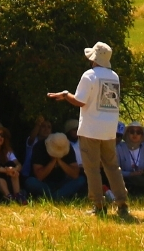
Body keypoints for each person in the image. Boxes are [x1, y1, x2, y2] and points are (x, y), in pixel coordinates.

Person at [49, 40, 131, 219]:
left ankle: (98, 205)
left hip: (90, 129)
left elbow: (80, 101)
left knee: (92, 168)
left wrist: (65, 95)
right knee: (112, 167)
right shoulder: (114, 76)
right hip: (109, 130)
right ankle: (122, 203)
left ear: (94, 58)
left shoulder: (89, 75)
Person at [25, 132, 85, 201]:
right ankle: (57, 196)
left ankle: (54, 196)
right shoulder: (39, 147)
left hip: (63, 183)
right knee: (30, 182)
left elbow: (75, 174)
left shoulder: (67, 147)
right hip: (44, 184)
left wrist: (59, 160)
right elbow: (39, 176)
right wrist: (53, 161)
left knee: (81, 180)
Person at [116, 122, 144, 196]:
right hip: (124, 179)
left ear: (142, 135)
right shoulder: (119, 148)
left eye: (138, 132)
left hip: (141, 179)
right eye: (132, 132)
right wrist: (131, 174)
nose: (135, 134)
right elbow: (115, 170)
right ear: (127, 134)